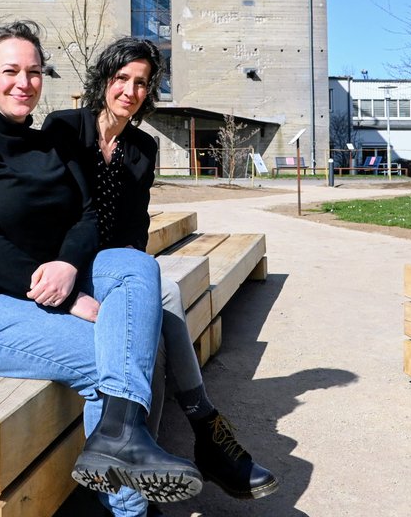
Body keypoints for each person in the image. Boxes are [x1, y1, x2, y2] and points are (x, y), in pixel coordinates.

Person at [0, 21, 201, 517]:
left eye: (33, 72)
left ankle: (124, 447)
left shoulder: (47, 144)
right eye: (10, 71)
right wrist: (70, 299)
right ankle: (129, 508)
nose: (23, 82)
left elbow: (86, 216)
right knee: (109, 357)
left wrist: (69, 265)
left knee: (136, 264)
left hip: (34, 290)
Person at [43, 37, 279, 504]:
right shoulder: (65, 128)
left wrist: (129, 282)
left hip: (115, 267)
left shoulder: (142, 147)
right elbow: (50, 212)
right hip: (64, 265)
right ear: (104, 80)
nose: (130, 91)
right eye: (122, 79)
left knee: (155, 294)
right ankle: (204, 432)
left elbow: (135, 227)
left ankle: (157, 455)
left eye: (141, 83)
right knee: (161, 297)